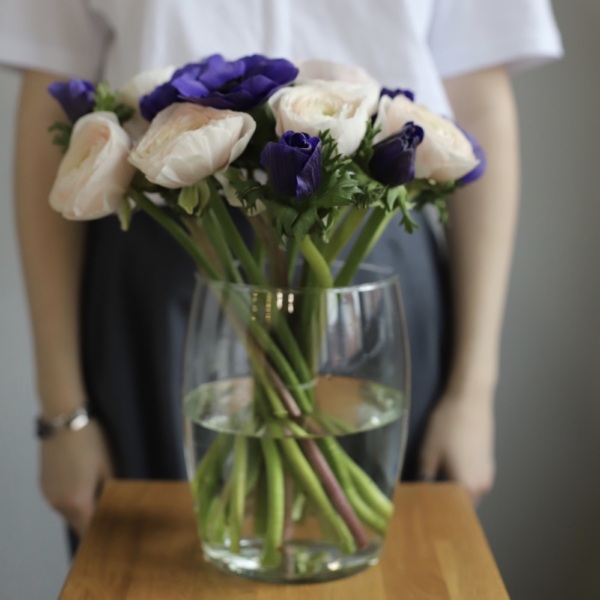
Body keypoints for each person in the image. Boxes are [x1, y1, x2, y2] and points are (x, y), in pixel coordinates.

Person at [0, 0, 562, 540]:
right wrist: (63, 412)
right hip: (161, 288)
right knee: (164, 562)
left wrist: (472, 392)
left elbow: (479, 97)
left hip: (373, 277)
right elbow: (49, 98)